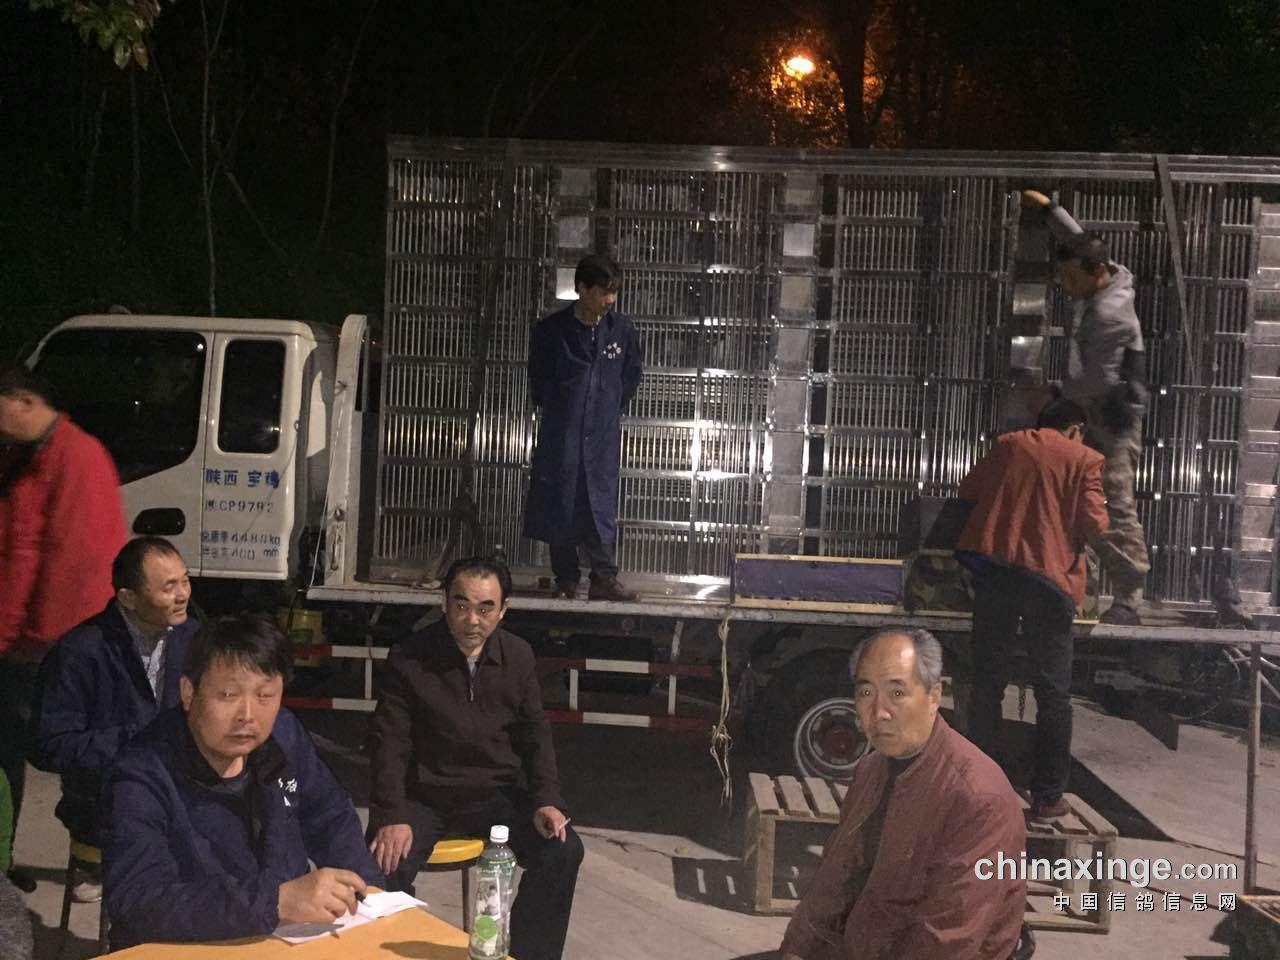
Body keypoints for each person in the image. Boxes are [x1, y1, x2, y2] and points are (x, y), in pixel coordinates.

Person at [102, 615, 383, 948]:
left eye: (265, 696)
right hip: (184, 947)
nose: (248, 715)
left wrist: (368, 892)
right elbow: (139, 901)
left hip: (280, 939)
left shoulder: (282, 738)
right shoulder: (142, 774)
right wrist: (274, 902)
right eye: (228, 695)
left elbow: (327, 813)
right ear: (188, 692)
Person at [368, 556, 583, 960]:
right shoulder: (410, 657)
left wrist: (546, 800)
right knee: (378, 864)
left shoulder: (518, 656)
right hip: (427, 796)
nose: (472, 620)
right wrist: (390, 814)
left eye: (485, 608)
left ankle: (525, 956)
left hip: (498, 796)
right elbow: (390, 741)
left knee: (563, 849)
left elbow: (535, 735)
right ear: (444, 603)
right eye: (461, 605)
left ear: (503, 610)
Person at [779, 628, 1026, 960]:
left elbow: (946, 940)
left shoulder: (979, 799)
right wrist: (795, 950)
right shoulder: (872, 770)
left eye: (897, 693)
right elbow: (834, 878)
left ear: (934, 697)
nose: (879, 711)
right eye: (866, 692)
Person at [0, 363, 127, 891]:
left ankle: (95, 862)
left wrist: (23, 639)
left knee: (79, 761)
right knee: (12, 756)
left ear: (23, 400)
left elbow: (72, 565)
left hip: (54, 644)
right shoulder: (29, 456)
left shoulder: (75, 458)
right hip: (30, 643)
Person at [956, 399, 1109, 820]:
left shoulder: (1008, 445)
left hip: (998, 574)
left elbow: (969, 491)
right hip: (1050, 583)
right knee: (1053, 694)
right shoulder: (1085, 459)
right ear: (1075, 427)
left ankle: (980, 791)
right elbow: (1095, 524)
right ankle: (1047, 796)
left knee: (987, 684)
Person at [30, 537, 199, 901]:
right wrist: (134, 739)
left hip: (180, 790)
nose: (183, 594)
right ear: (129, 598)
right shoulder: (80, 651)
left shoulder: (192, 638)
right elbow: (48, 745)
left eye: (185, 581)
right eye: (168, 587)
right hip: (104, 800)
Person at [1021, 190, 1150, 625]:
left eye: (1069, 278)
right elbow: (1080, 242)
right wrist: (1050, 211)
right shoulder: (1106, 272)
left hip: (1113, 417)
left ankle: (1129, 596)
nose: (1064, 285)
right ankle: (1076, 583)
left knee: (1112, 502)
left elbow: (1096, 381)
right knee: (1071, 496)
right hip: (1093, 409)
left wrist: (1054, 392)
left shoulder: (1111, 314)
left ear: (1094, 273)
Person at [524, 253, 643, 601]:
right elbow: (539, 381)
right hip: (562, 434)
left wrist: (605, 408)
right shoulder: (551, 331)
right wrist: (568, 409)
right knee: (561, 500)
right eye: (603, 292)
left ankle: (604, 579)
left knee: (599, 503)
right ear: (582, 289)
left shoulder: (621, 330)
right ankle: (566, 579)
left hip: (601, 435)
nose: (609, 300)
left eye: (614, 292)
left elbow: (630, 376)